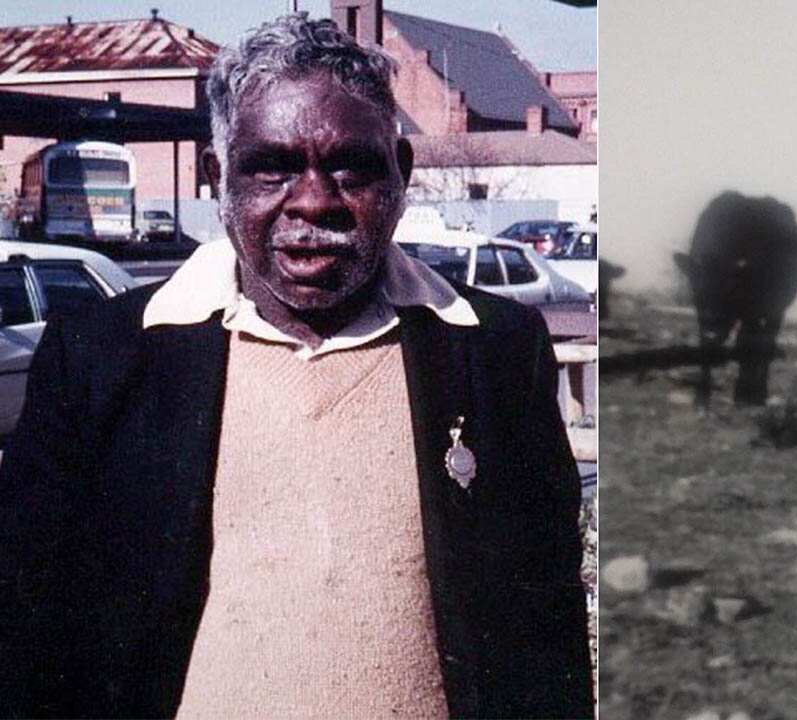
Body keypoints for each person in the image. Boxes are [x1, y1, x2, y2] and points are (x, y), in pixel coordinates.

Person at [0, 15, 592, 719]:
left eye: (351, 165)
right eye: (272, 166)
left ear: (401, 173)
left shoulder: (493, 348)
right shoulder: (102, 354)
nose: (313, 201)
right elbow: (26, 625)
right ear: (221, 178)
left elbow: (546, 627)